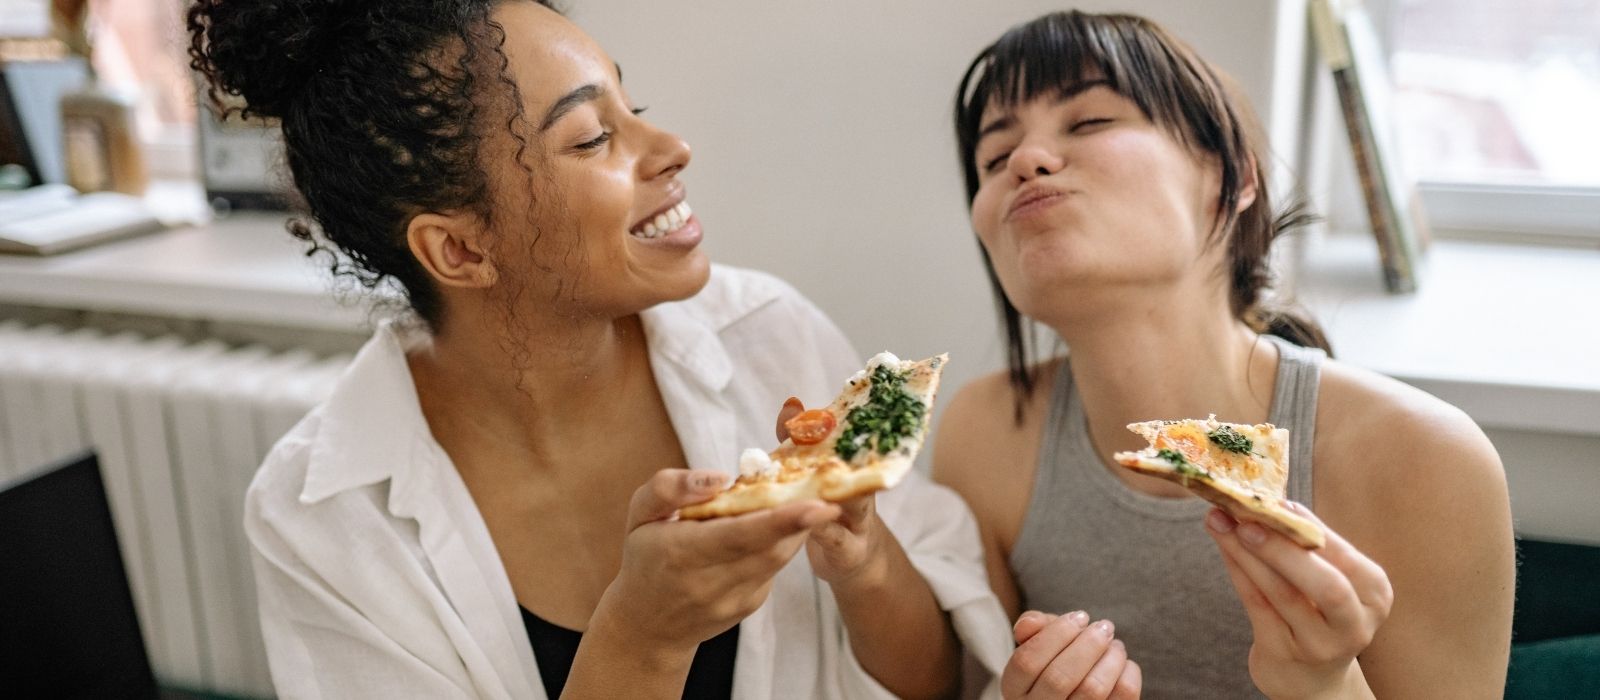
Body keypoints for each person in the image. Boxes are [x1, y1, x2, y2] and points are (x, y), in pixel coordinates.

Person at [187, 1, 1010, 697]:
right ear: (460, 251)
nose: (672, 148)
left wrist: (862, 561)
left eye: (633, 107)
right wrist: (641, 638)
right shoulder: (321, 516)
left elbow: (942, 681)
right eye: (590, 139)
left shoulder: (769, 334)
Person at [932, 10, 1514, 699]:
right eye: (995, 159)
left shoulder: (1426, 461)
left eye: (1089, 122)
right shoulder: (984, 431)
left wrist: (1323, 684)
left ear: (1233, 177)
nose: (1026, 162)